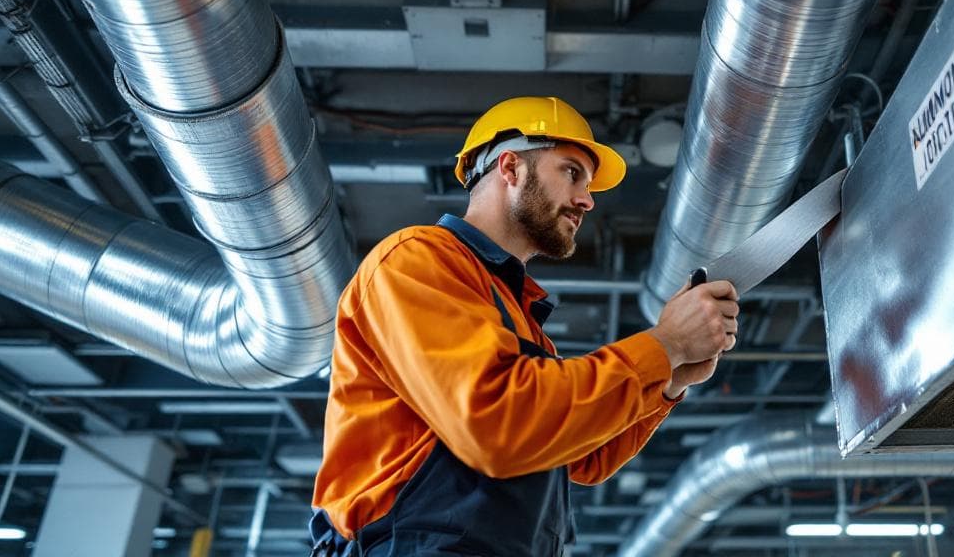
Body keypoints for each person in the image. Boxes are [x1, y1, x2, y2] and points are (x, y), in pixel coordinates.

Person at [310, 96, 739, 556]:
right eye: (572, 172)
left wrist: (669, 376)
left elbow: (584, 458)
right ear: (511, 168)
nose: (587, 201)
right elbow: (497, 423)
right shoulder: (416, 262)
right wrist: (664, 342)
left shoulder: (515, 313)